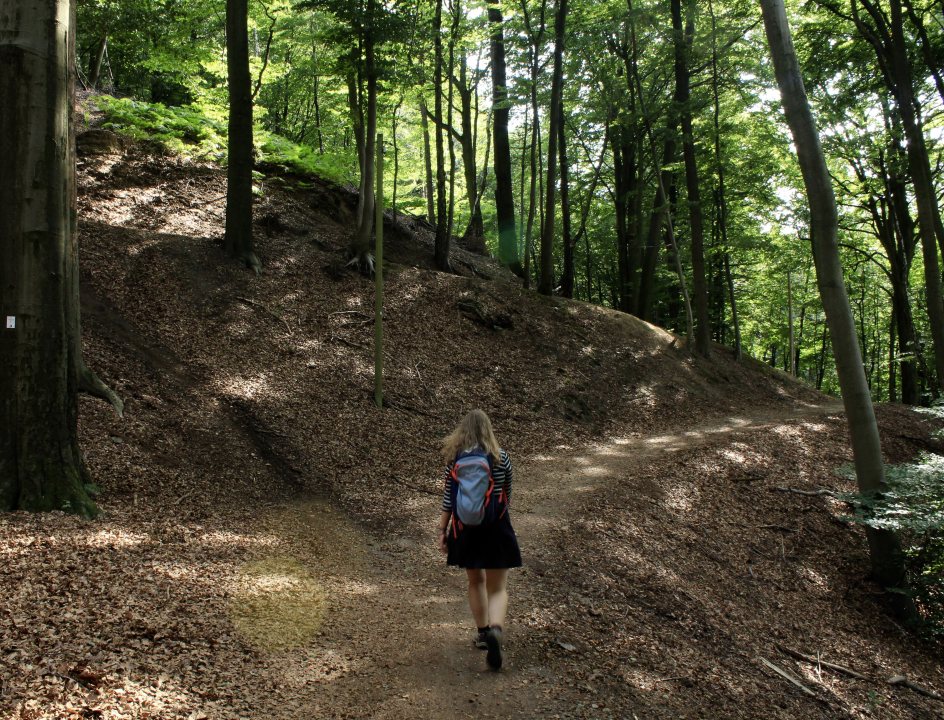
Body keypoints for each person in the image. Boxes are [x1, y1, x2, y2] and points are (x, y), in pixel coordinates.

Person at [437, 409, 522, 671]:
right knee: (497, 588)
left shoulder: (455, 459)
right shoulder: (501, 457)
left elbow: (449, 498)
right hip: (496, 527)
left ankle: (483, 633)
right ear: (488, 430)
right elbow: (507, 493)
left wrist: (442, 531)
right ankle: (496, 629)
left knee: (475, 581)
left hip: (466, 530)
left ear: (463, 431)